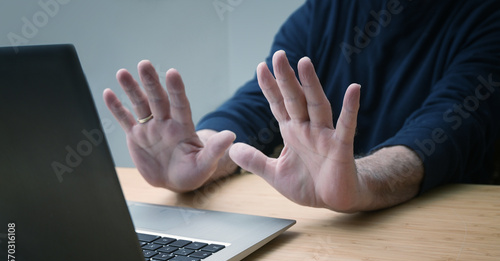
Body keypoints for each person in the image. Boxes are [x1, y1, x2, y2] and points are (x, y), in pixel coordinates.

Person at [103, 0, 500, 213]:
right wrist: (200, 151)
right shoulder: (323, 12)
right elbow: (263, 103)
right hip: (331, 242)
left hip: (436, 246)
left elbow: (442, 137)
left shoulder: (486, 19)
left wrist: (361, 181)